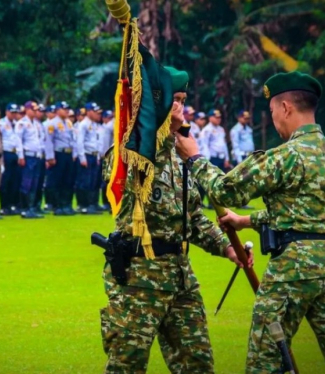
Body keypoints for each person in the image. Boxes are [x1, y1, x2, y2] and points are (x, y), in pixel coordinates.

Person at [174, 71, 325, 374]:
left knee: (265, 361)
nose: (274, 120)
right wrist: (245, 220)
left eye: (271, 112)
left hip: (294, 270)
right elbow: (304, 214)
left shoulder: (285, 157)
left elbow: (224, 190)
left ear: (285, 108)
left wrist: (195, 158)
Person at [100, 67, 243, 374]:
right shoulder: (129, 151)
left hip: (179, 277)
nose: (180, 108)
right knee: (126, 365)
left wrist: (227, 248)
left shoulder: (181, 156)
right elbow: (126, 186)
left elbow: (191, 217)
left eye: (183, 100)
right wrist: (164, 135)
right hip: (138, 280)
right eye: (173, 100)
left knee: (198, 364)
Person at [44, 101, 76, 216]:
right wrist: (50, 157)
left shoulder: (68, 123)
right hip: (58, 153)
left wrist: (74, 154)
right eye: (64, 109)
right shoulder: (52, 124)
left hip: (68, 153)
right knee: (57, 180)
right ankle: (57, 206)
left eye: (67, 109)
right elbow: (49, 141)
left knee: (68, 181)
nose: (67, 111)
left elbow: (73, 140)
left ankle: (66, 204)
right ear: (57, 110)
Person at [15, 101, 45, 219]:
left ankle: (31, 207)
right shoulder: (22, 123)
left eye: (36, 110)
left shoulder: (37, 124)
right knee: (26, 182)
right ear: (27, 110)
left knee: (35, 183)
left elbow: (40, 140)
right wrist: (20, 156)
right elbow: (18, 140)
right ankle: (24, 208)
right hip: (27, 155)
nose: (35, 112)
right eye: (33, 110)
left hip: (36, 155)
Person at [75, 102, 103, 215]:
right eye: (96, 112)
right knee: (85, 181)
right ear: (89, 112)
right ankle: (83, 205)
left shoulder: (95, 125)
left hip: (94, 155)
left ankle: (92, 204)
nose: (98, 115)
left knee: (93, 181)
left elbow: (97, 142)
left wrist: (98, 156)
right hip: (86, 155)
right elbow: (80, 142)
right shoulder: (83, 124)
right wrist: (82, 157)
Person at [0, 103, 22, 216]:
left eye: (15, 112)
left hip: (15, 153)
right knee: (5, 180)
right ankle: (4, 205)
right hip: (6, 152)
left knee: (15, 180)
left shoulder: (17, 124)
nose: (14, 115)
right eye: (12, 112)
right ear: (6, 112)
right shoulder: (1, 124)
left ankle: (12, 205)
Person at [98, 109, 114, 212]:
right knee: (108, 180)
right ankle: (107, 203)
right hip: (111, 156)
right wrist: (104, 156)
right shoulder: (110, 126)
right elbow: (105, 143)